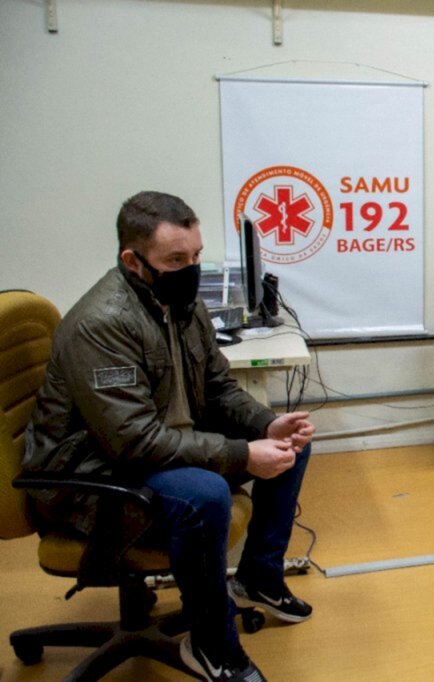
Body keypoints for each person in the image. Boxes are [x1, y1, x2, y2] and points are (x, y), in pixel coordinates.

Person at [24, 191, 316, 682]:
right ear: (132, 261)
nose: (191, 268)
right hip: (90, 470)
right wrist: (241, 454)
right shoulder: (101, 323)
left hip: (148, 443)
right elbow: (133, 441)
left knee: (290, 446)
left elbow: (218, 386)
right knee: (203, 495)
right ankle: (211, 645)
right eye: (175, 260)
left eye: (196, 255)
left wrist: (266, 426)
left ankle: (258, 577)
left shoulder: (179, 303)